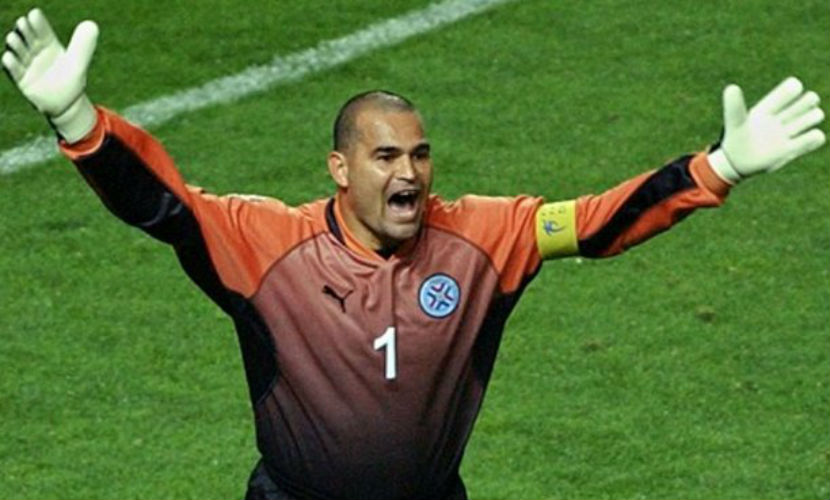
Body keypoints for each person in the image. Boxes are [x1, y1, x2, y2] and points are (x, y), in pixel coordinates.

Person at [2, 8, 826, 500]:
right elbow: (166, 207)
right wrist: (78, 121)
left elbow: (595, 224)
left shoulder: (483, 237)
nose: (410, 173)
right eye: (387, 156)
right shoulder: (269, 245)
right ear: (340, 168)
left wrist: (716, 167)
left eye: (421, 155)